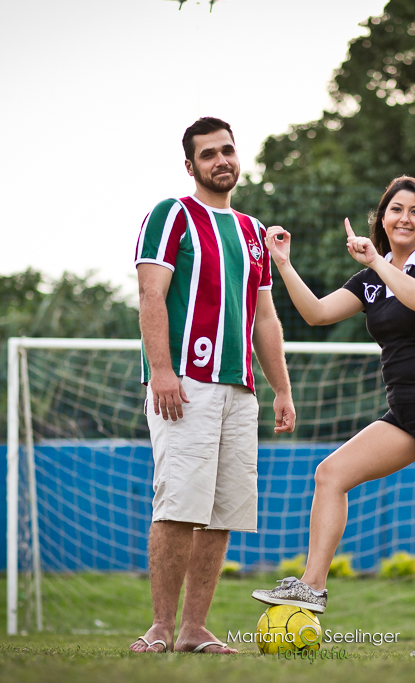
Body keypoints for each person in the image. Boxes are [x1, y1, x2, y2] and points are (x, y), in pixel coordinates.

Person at [251, 176, 415, 658]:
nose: (404, 218)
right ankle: (312, 586)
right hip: (405, 412)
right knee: (331, 474)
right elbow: (316, 313)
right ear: (381, 218)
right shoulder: (372, 278)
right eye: (395, 209)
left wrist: (377, 261)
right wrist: (283, 264)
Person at [130, 117, 295, 655]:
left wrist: (282, 390)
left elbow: (266, 318)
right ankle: (158, 628)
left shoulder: (252, 231)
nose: (221, 160)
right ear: (190, 165)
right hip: (185, 384)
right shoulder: (170, 215)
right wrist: (161, 371)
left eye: (227, 150)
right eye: (208, 154)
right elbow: (151, 296)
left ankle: (194, 630)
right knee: (178, 506)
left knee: (221, 513)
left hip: (240, 390)